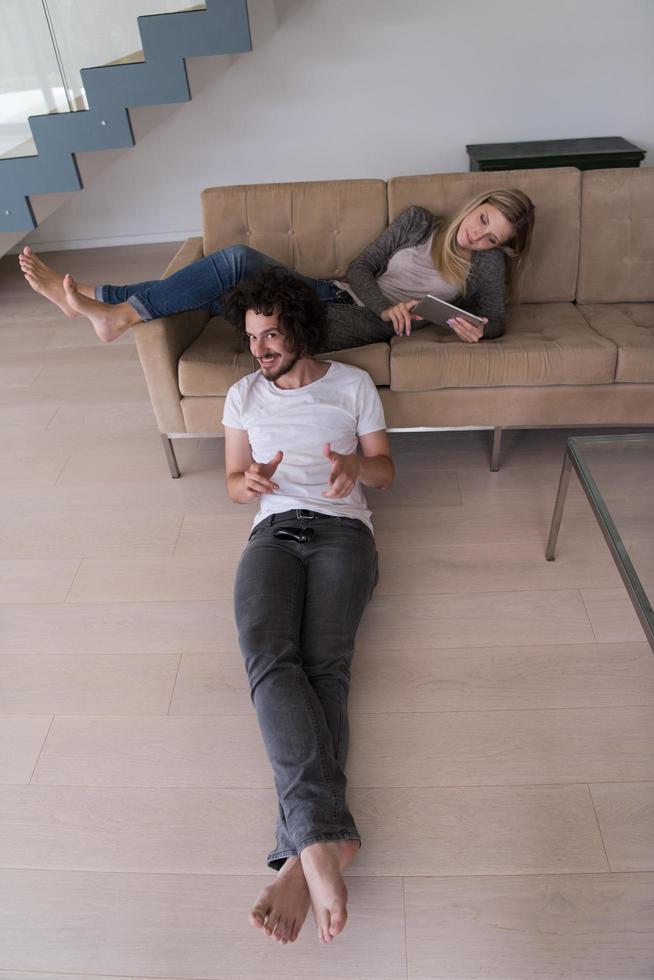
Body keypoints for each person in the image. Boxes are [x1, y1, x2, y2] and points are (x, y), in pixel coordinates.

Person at [220, 267, 394, 946]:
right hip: (273, 532)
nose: (260, 349)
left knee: (325, 670)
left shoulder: (352, 385)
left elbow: (385, 469)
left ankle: (304, 851)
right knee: (268, 654)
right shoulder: (242, 395)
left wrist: (355, 469)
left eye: (271, 334)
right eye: (252, 337)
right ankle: (321, 844)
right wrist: (250, 482)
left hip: (344, 532)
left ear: (300, 327)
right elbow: (234, 481)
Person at [18, 187, 534, 350]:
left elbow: (497, 318)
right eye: (483, 219)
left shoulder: (485, 262)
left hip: (352, 323)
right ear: (476, 203)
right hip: (333, 292)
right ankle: (107, 304)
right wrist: (386, 299)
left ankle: (101, 300)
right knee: (234, 263)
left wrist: (477, 331)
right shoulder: (419, 221)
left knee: (225, 283)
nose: (479, 235)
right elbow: (360, 267)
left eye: (494, 236)